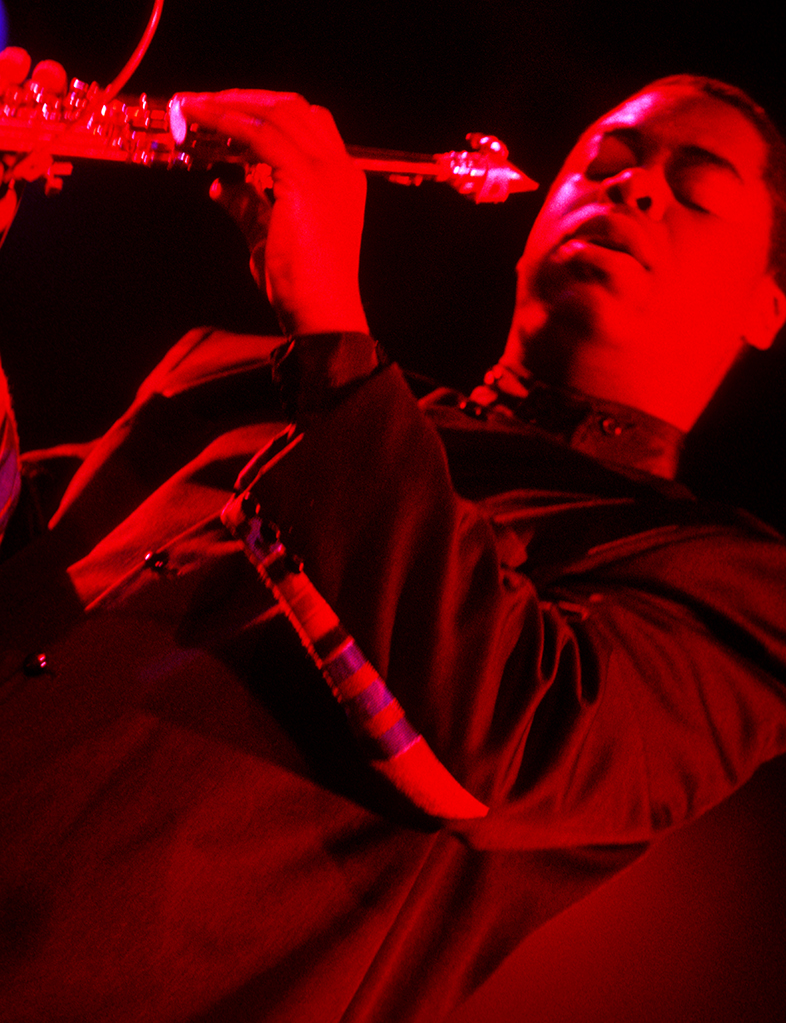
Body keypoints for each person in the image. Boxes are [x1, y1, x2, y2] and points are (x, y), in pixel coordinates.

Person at [2, 55, 786, 1023]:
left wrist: (329, 325)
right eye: (603, 165)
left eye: (697, 192)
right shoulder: (238, 377)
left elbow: (509, 746)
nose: (634, 187)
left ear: (767, 309)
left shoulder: (733, 588)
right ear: (527, 228)